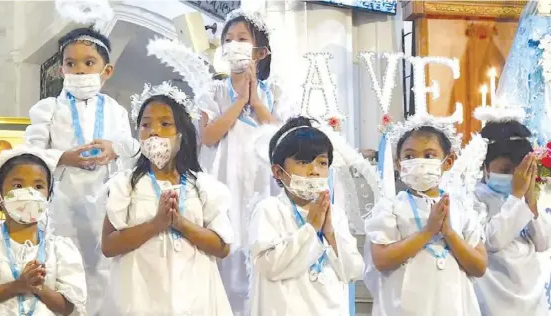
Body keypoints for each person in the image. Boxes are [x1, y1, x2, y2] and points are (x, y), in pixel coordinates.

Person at [25, 27, 138, 315]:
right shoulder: (48, 108)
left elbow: (131, 149)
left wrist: (114, 149)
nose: (79, 71)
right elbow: (30, 154)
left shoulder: (116, 110)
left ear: (107, 70)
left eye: (89, 63)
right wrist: (63, 156)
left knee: (105, 266)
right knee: (63, 263)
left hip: (106, 200)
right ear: (61, 69)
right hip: (63, 200)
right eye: (71, 64)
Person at [100, 83, 234, 315]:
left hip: (195, 298)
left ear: (181, 134)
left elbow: (222, 247)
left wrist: (180, 223)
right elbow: (109, 245)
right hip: (139, 298)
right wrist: (156, 225)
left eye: (165, 124)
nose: (154, 131)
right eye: (146, 125)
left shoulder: (203, 186)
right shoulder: (126, 185)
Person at [197, 9, 285, 313]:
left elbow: (281, 139)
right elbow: (208, 136)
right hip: (224, 180)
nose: (234, 44)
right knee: (226, 248)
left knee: (260, 248)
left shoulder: (275, 92)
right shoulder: (214, 90)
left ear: (260, 51)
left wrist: (256, 102)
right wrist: (239, 102)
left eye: (242, 39)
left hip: (263, 183)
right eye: (229, 39)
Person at [0, 146, 87, 315]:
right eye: (18, 185)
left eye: (38, 186)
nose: (29, 192)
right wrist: (17, 286)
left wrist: (39, 287)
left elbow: (67, 307)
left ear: (48, 196)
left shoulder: (60, 249)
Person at [365, 125, 488, 315]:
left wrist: (449, 233)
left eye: (429, 156)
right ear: (399, 164)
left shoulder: (461, 207)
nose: (419, 163)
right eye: (410, 156)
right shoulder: (390, 207)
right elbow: (381, 259)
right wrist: (428, 232)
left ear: (448, 161)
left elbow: (479, 266)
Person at [248, 117, 363, 315]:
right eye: (303, 162)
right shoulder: (269, 209)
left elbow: (353, 271)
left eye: (322, 163)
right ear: (278, 171)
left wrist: (330, 233)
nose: (314, 171)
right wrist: (311, 229)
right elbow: (269, 266)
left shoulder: (335, 214)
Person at [472, 121, 551, 315]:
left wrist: (530, 201)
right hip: (494, 294)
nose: (516, 177)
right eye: (506, 170)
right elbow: (491, 240)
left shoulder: (524, 194)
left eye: (520, 170)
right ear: (485, 167)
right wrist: (516, 197)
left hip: (530, 293)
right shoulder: (473, 197)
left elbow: (543, 243)